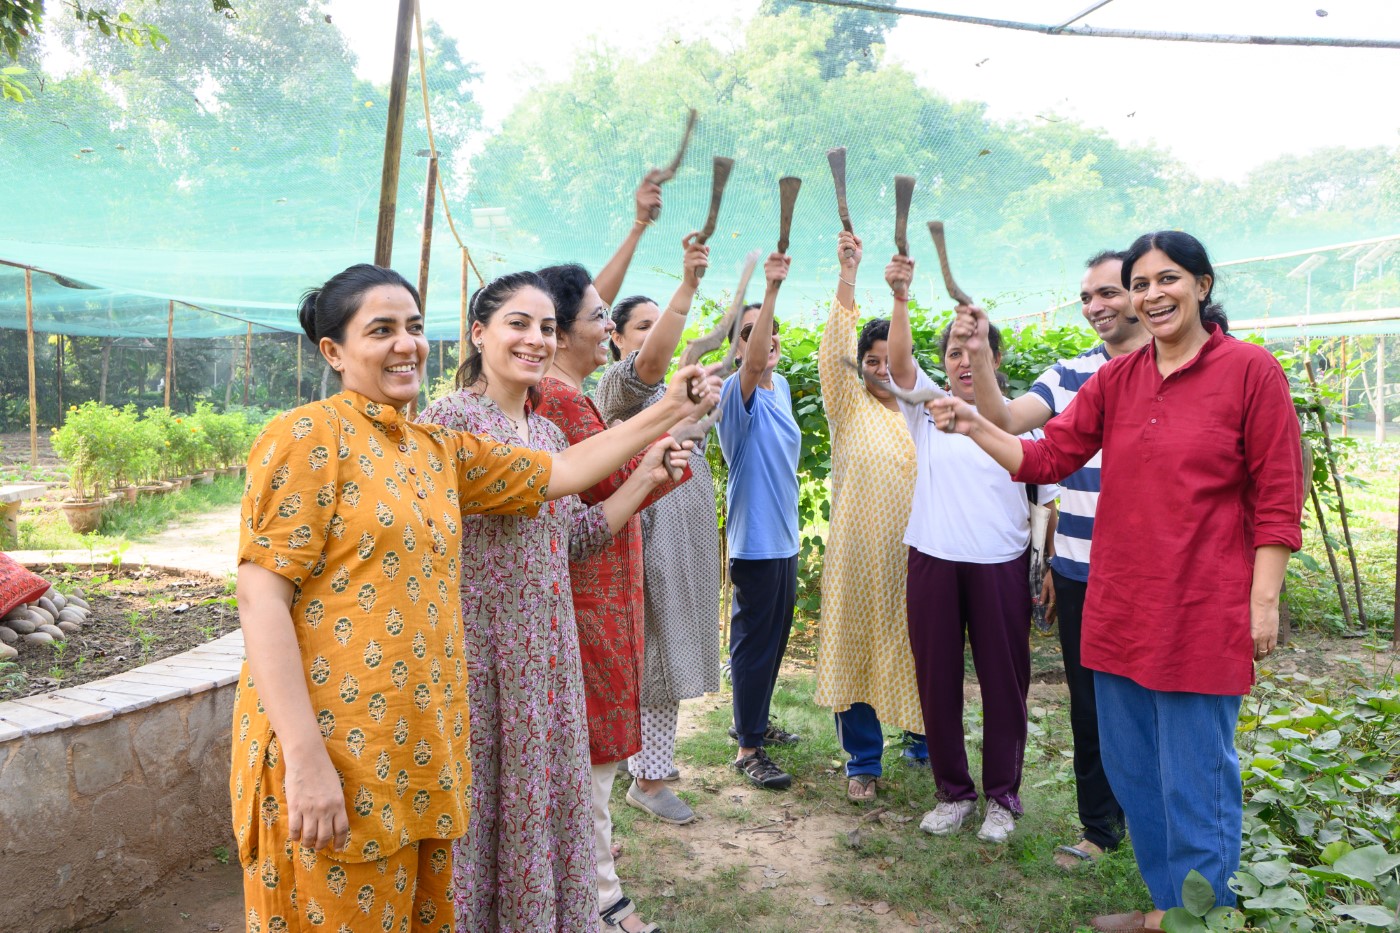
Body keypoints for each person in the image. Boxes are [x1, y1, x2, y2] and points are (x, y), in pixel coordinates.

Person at [231, 264, 707, 933]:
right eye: (382, 330)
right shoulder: (309, 435)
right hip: (336, 751)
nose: (406, 344)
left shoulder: (436, 449)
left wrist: (669, 409)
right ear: (333, 351)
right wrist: (306, 763)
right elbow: (260, 599)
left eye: (416, 327)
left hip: (422, 751)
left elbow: (565, 473)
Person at [930, 231, 1303, 932]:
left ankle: (1203, 913)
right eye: (1140, 283)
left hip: (1202, 607)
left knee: (1195, 774)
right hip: (1119, 603)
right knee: (1134, 770)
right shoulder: (1116, 380)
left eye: (1167, 279)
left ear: (1202, 283)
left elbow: (1279, 495)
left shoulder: (1251, 372)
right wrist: (972, 424)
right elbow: (1045, 454)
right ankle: (1169, 905)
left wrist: (1263, 600)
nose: (1151, 294)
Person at [416, 271, 718, 933]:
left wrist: (643, 476)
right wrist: (663, 412)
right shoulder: (447, 419)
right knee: (483, 811)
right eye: (517, 323)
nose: (535, 338)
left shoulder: (549, 434)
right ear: (478, 332)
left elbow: (575, 535)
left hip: (548, 656)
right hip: (481, 654)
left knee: (542, 811)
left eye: (546, 327)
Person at [534, 251, 708, 932]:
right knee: (590, 760)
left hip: (601, 591)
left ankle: (593, 889)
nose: (607, 329)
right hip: (586, 599)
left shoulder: (569, 396)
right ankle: (601, 898)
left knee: (591, 761)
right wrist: (659, 446)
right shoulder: (558, 399)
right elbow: (604, 488)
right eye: (599, 317)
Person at [957, 251, 1147, 867]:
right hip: (1080, 567)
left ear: (1144, 292)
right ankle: (1099, 829)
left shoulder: (1186, 368)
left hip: (1154, 571)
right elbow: (1008, 422)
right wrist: (981, 353)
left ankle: (1161, 826)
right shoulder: (1074, 374)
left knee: (1157, 701)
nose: (1095, 307)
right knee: (1089, 702)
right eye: (1087, 296)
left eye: (1109, 293)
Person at [884, 251, 1059, 845]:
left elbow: (1046, 503)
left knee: (1003, 682)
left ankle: (1002, 800)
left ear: (994, 356)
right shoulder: (930, 410)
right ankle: (953, 794)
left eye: (973, 352)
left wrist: (1045, 568)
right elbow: (900, 365)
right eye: (953, 354)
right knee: (937, 679)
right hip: (932, 556)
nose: (962, 363)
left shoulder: (1023, 423)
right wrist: (902, 296)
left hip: (1001, 564)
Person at [596, 234, 721, 826]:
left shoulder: (684, 388)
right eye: (639, 324)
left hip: (686, 525)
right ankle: (649, 777)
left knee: (666, 643)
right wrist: (688, 287)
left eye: (657, 323)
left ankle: (638, 760)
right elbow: (650, 364)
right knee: (653, 650)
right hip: (649, 527)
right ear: (616, 336)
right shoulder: (623, 386)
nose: (651, 335)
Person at [812, 231, 926, 803]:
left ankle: (926, 745)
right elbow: (834, 344)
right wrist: (849, 273)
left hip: (920, 555)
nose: (881, 369)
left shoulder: (925, 410)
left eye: (891, 360)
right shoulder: (848, 405)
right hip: (857, 557)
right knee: (856, 647)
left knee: (921, 645)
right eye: (870, 361)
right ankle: (863, 762)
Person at [717, 252, 803, 790]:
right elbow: (750, 365)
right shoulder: (737, 391)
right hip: (755, 543)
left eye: (769, 331)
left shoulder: (783, 388)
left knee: (773, 642)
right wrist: (770, 290)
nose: (764, 338)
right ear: (738, 345)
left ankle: (756, 722)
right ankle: (748, 748)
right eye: (750, 331)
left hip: (786, 539)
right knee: (753, 645)